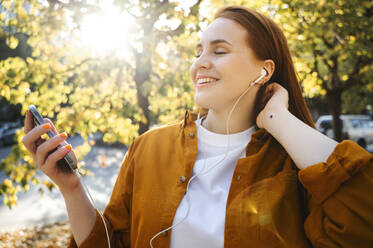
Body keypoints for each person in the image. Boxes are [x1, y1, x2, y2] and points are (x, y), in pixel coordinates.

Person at [22, 6, 373, 248]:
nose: (200, 63)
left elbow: (361, 224)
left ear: (263, 71)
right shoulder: (149, 147)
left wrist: (278, 119)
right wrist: (71, 188)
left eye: (219, 51)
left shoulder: (294, 163)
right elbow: (111, 243)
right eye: (198, 50)